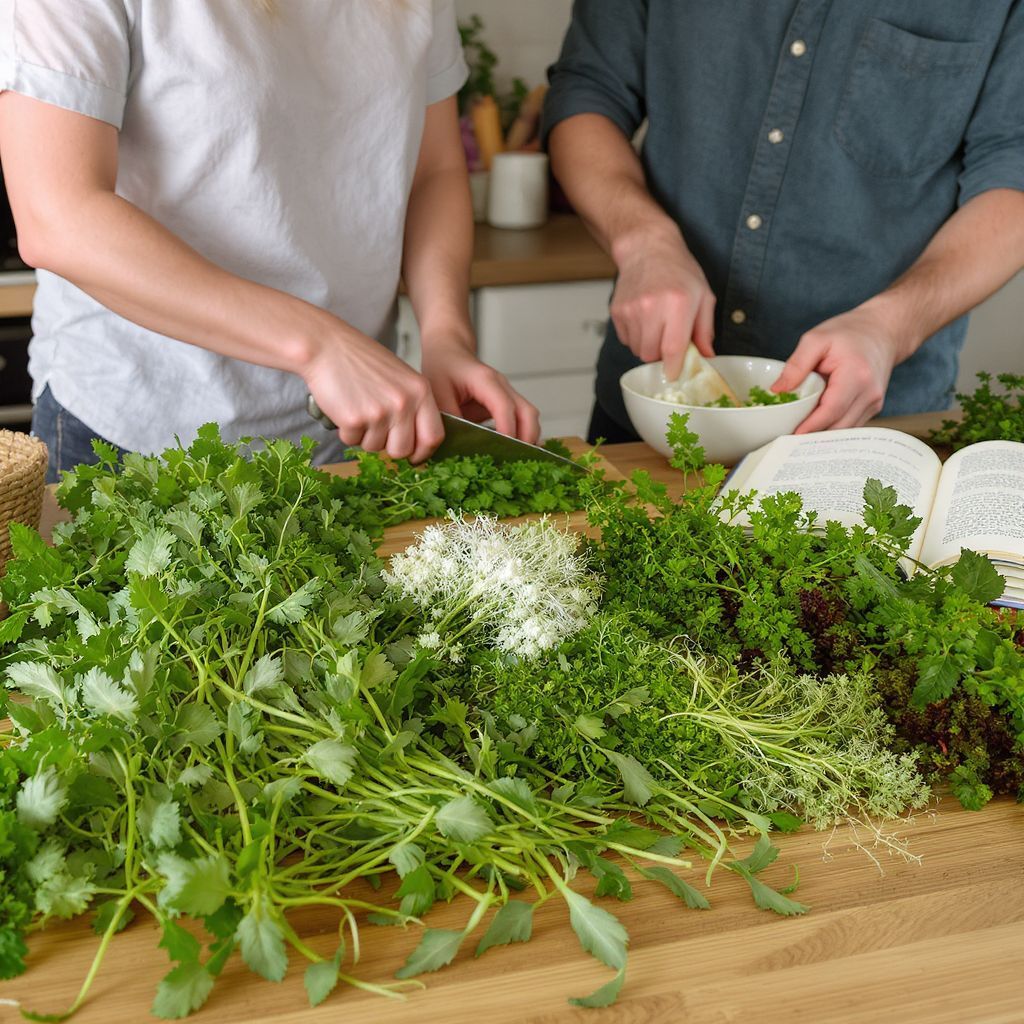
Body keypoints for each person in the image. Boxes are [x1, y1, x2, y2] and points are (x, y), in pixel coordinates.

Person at [0, 0, 539, 482]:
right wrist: (319, 344)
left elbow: (435, 172)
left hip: (341, 436)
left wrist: (445, 334)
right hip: (137, 433)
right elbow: (59, 216)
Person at [544, 2, 1024, 443]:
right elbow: (588, 92)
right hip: (654, 418)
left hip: (873, 428)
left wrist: (890, 325)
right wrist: (643, 242)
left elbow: (1013, 170)